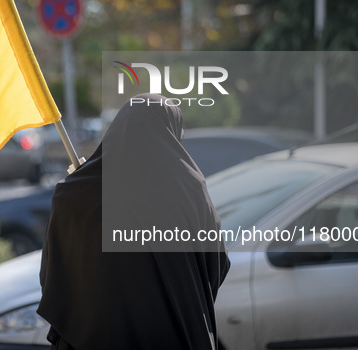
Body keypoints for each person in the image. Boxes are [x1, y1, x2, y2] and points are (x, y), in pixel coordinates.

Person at [37, 94, 230, 350]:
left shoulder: (74, 194)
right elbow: (215, 265)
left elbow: (53, 274)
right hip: (172, 335)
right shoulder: (190, 188)